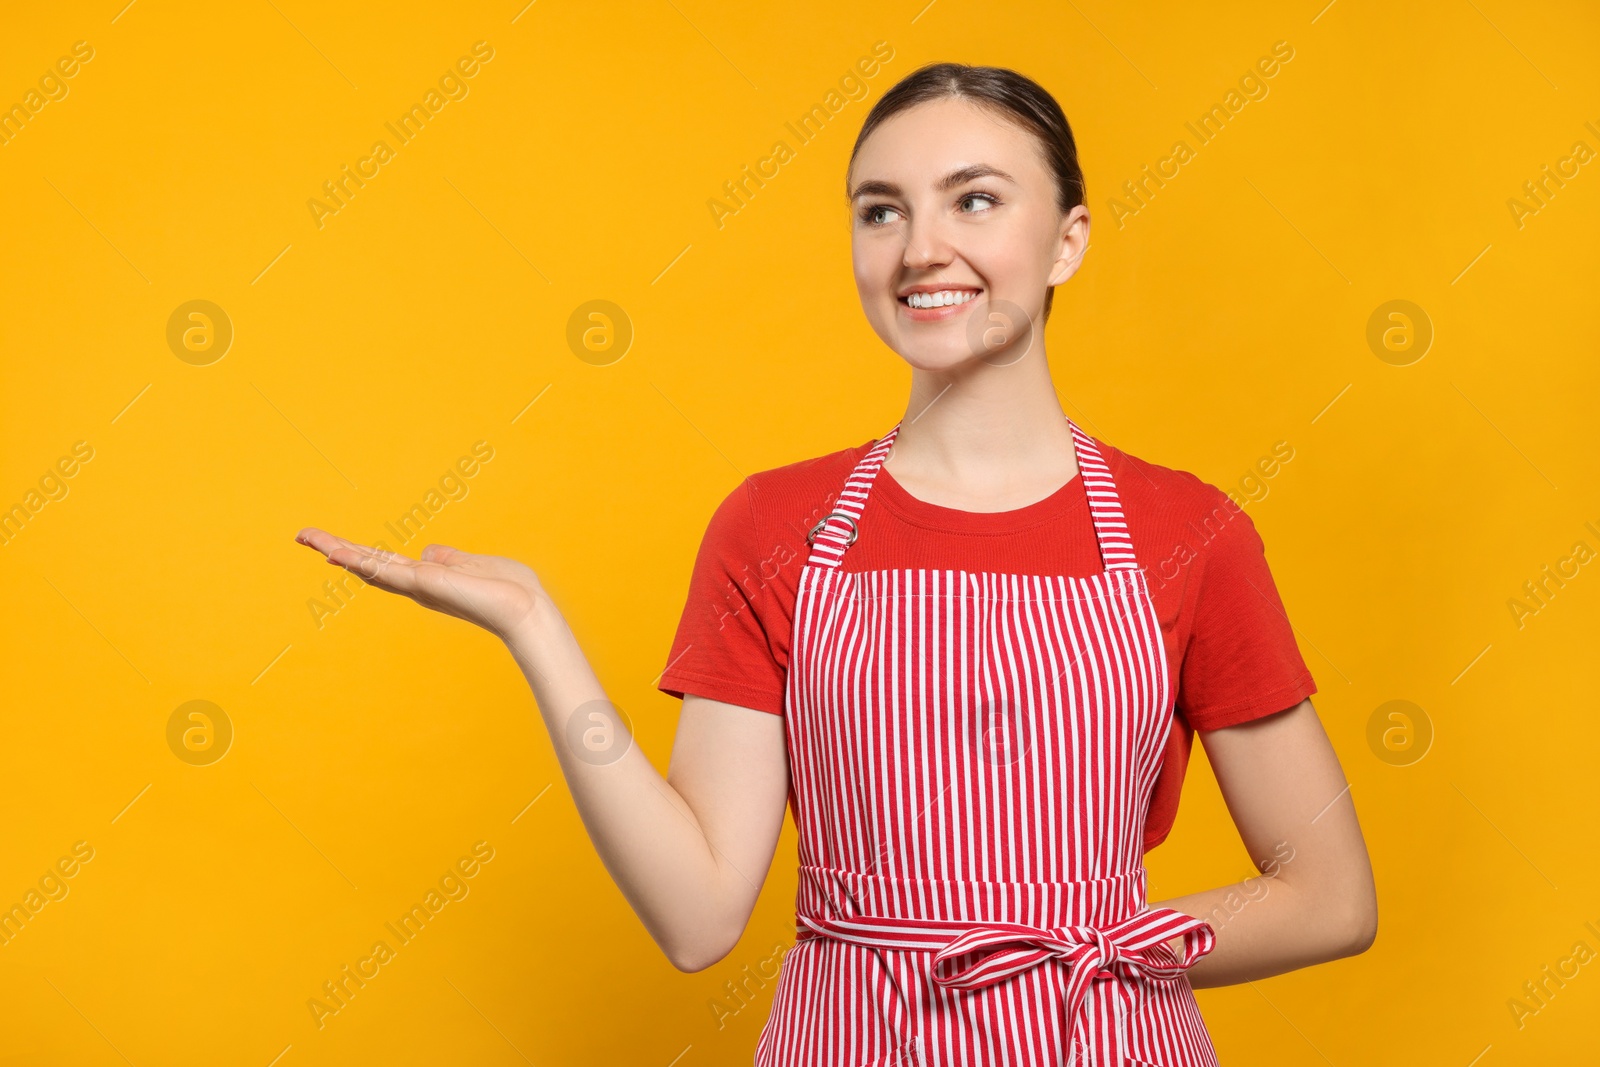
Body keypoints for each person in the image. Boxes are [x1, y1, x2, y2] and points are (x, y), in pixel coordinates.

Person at [296, 62, 1376, 1067]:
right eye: (881, 209)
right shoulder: (775, 525)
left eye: (975, 199)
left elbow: (1327, 897)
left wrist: (1100, 943)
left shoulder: (1187, 530)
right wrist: (537, 627)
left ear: (1068, 241)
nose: (919, 248)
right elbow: (698, 915)